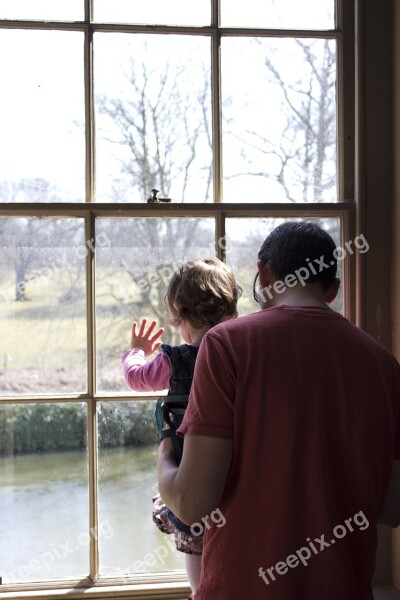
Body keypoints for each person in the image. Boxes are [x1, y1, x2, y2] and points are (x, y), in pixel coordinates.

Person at [157, 221, 400, 600]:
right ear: (332, 289)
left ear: (264, 274)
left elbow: (191, 504)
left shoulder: (227, 344)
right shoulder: (383, 364)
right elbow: (392, 505)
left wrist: (165, 451)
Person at [121, 257, 240, 599]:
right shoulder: (242, 352)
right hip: (236, 465)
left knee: (194, 543)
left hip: (188, 470)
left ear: (181, 317)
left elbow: (137, 378)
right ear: (230, 311)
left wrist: (136, 352)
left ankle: (198, 592)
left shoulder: (174, 359)